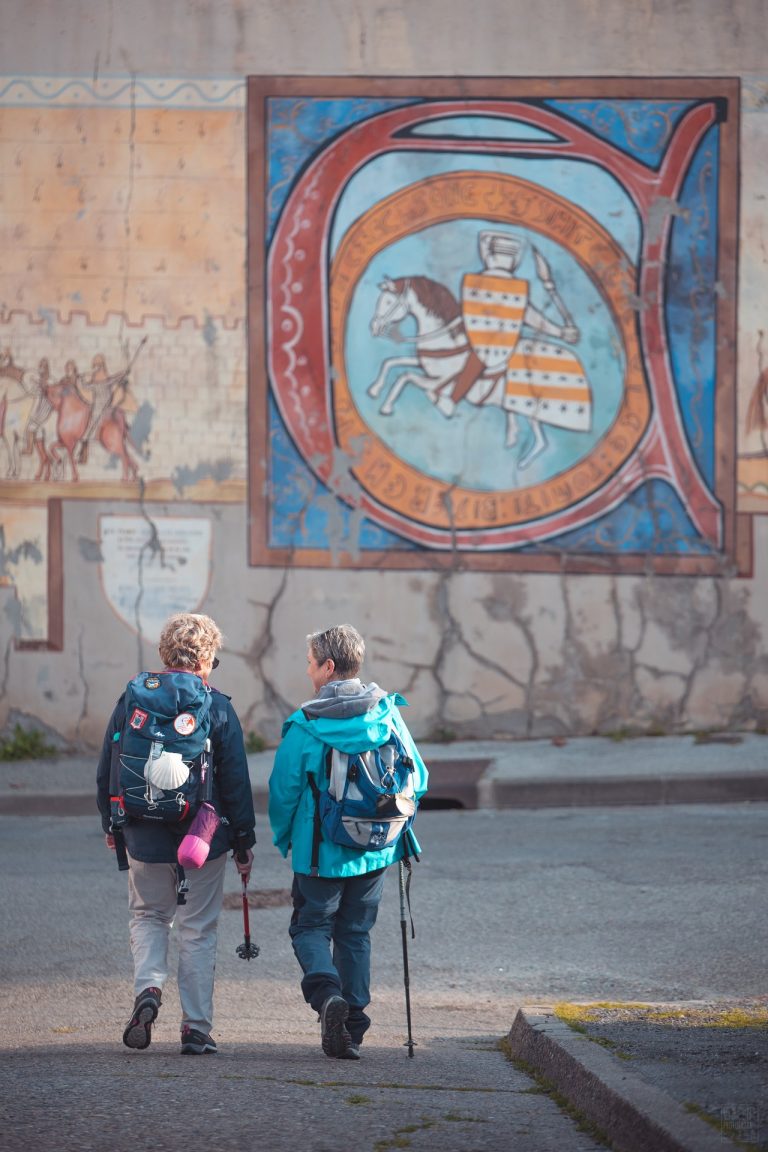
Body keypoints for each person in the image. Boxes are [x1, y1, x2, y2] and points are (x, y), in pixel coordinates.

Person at [97, 612, 255, 1055]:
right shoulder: (216, 705)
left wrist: (111, 823)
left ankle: (148, 990)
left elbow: (107, 765)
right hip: (202, 839)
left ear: (165, 655)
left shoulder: (133, 699)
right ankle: (196, 1029)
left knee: (148, 916)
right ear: (205, 659)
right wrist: (243, 842)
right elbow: (236, 784)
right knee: (198, 929)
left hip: (142, 832)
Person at [269, 624, 428, 1060]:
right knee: (355, 934)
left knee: (311, 926)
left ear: (329, 666)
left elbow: (283, 793)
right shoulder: (387, 713)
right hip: (376, 849)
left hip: (320, 853)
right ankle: (353, 1027)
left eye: (310, 663)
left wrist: (285, 840)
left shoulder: (306, 725)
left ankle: (327, 999)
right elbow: (419, 778)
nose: (307, 671)